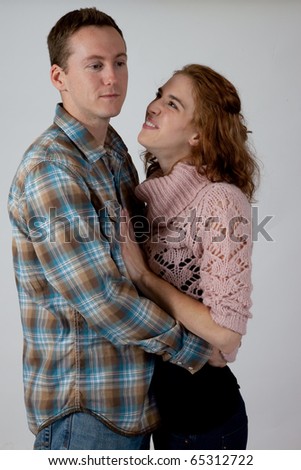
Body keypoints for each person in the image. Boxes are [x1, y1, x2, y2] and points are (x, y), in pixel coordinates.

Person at [7, 10, 224, 451]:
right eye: (95, 65)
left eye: (120, 62)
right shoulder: (53, 169)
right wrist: (194, 350)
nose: (112, 77)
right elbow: (103, 299)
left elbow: (142, 258)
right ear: (59, 76)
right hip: (86, 413)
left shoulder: (113, 151)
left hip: (134, 405)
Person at [120, 64, 259, 450]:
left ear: (199, 134)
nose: (153, 106)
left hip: (204, 422)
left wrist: (147, 279)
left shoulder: (220, 201)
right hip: (158, 416)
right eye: (159, 94)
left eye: (172, 104)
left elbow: (225, 331)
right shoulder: (148, 198)